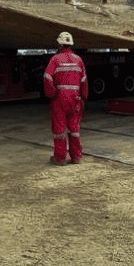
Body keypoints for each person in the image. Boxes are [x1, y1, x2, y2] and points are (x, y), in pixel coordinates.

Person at [43, 31, 88, 165]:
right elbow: (84, 80)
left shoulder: (55, 59)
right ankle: (77, 157)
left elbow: (47, 77)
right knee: (74, 128)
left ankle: (60, 158)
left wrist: (51, 94)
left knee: (59, 129)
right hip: (75, 99)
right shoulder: (78, 60)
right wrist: (83, 97)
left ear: (59, 44)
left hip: (60, 98)